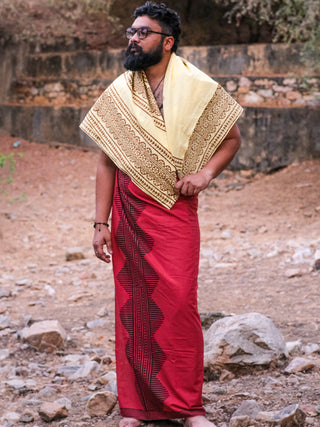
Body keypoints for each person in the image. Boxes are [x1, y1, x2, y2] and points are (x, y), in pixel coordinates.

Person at [80, 2, 243, 426]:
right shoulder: (120, 91)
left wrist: (205, 174)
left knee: (179, 306)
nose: (133, 38)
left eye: (143, 32)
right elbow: (105, 163)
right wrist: (101, 223)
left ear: (167, 42)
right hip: (128, 213)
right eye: (131, 31)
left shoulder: (197, 87)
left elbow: (231, 138)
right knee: (134, 308)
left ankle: (189, 408)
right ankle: (137, 408)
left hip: (174, 210)